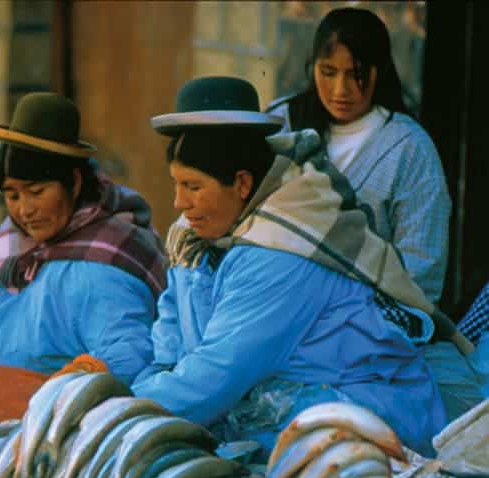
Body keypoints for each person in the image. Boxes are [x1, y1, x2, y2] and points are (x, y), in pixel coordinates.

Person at [131, 76, 465, 457]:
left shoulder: (284, 248)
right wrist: (137, 392)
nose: (179, 203)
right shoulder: (195, 235)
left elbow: (219, 374)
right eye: (175, 184)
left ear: (242, 183)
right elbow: (169, 344)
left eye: (193, 187)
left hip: (361, 428)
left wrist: (119, 413)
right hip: (272, 416)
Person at [0, 92, 166, 400]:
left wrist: (72, 384)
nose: (24, 210)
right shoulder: (12, 255)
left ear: (74, 183)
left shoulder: (107, 265)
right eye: (12, 195)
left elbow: (130, 351)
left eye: (36, 192)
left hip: (69, 428)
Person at [266, 7, 451, 304]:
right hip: (272, 299)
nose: (341, 89)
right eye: (328, 72)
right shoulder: (281, 122)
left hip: (362, 321)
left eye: (357, 74)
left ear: (381, 70)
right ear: (312, 67)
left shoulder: (409, 149)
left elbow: (421, 269)